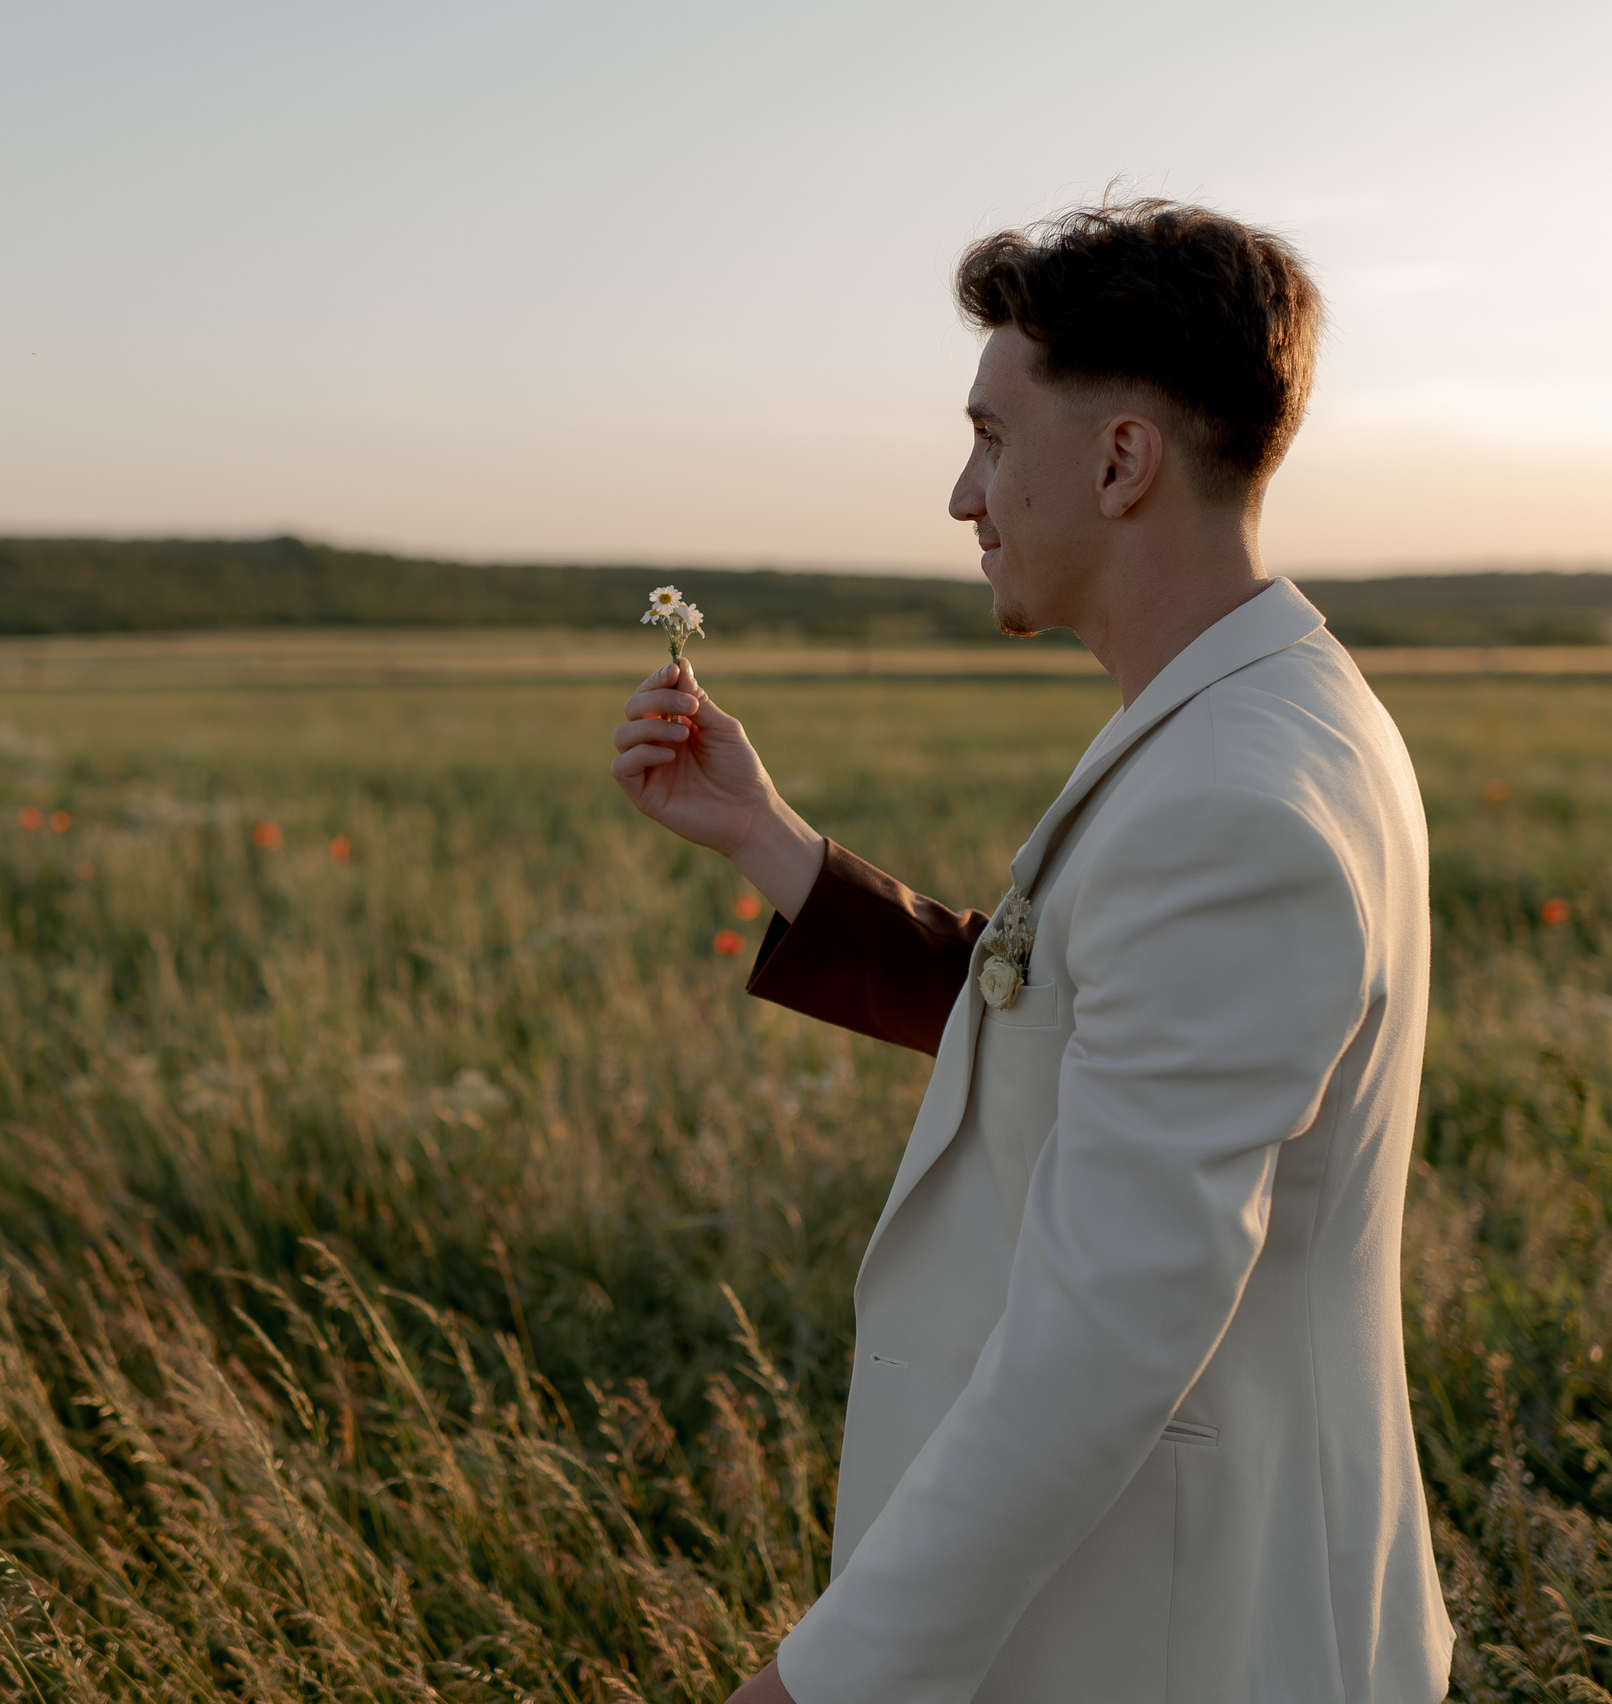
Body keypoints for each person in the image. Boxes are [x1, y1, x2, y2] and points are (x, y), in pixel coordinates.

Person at [613, 202, 1452, 1701]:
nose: (961, 492)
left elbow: (1106, 1339)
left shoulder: (1229, 804)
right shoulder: (1260, 713)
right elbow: (1078, 1021)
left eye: (993, 437)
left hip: (1191, 1627)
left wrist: (823, 1681)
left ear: (1122, 462)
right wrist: (771, 844)